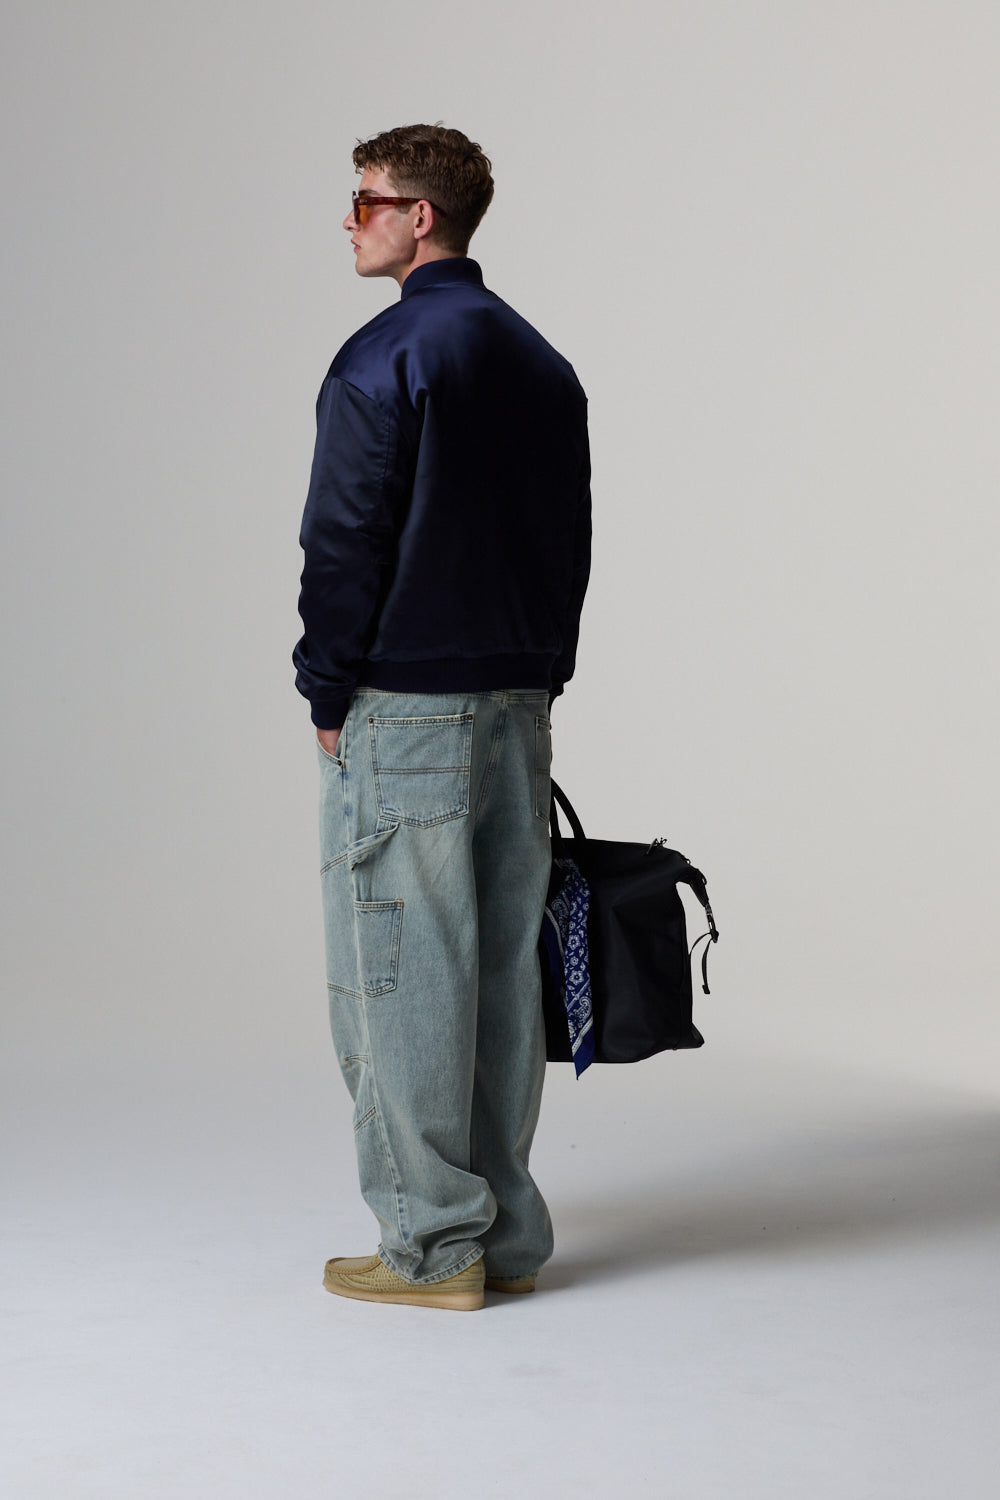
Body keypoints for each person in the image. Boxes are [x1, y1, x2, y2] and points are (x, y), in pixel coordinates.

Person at [293, 123, 591, 1310]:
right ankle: (503, 1237)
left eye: (366, 201)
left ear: (423, 217)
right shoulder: (539, 361)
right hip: (516, 708)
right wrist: (540, 678)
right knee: (498, 978)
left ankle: (431, 1246)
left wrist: (328, 687)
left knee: (402, 976)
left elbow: (342, 542)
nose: (351, 220)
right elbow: (567, 543)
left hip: (406, 709)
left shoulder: (383, 358)